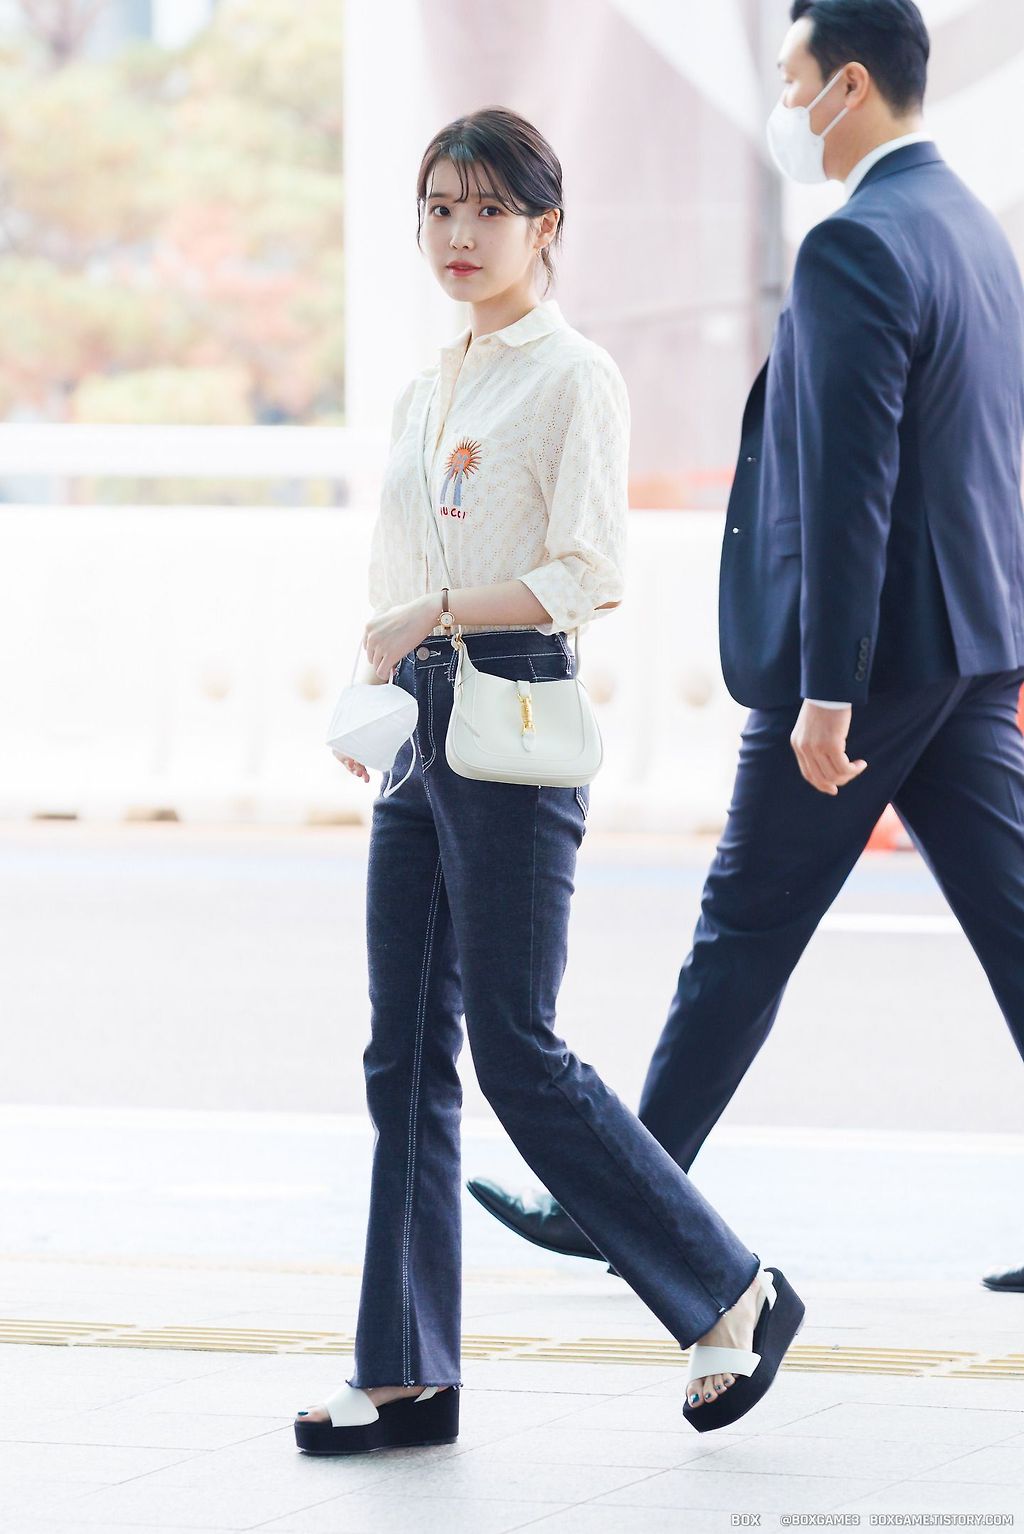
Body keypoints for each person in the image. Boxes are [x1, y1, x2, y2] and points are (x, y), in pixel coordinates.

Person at [469, 0, 1024, 1290]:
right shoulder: (975, 228)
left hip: (874, 665)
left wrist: (830, 689)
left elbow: (851, 486)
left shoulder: (856, 244)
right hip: (970, 641)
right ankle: (625, 1194)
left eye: (790, 78)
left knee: (745, 926)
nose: (783, 105)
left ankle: (618, 1200)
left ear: (847, 87)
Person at [292, 106, 804, 1455]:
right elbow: (400, 579)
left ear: (547, 226)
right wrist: (381, 697)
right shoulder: (430, 386)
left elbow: (589, 571)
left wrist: (436, 617)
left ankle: (730, 1289)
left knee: (516, 1046)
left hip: (515, 707)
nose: (458, 234)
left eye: (488, 210)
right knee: (405, 1048)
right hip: (422, 721)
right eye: (438, 208)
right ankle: (407, 1369)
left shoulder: (574, 376)